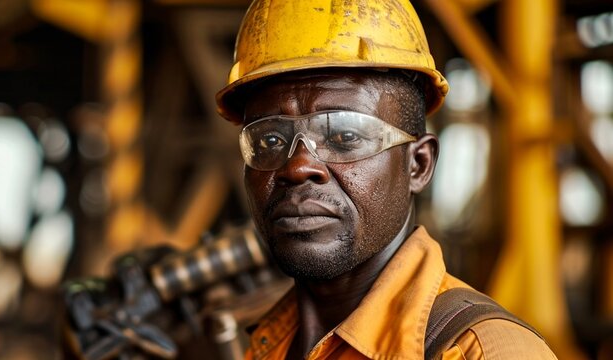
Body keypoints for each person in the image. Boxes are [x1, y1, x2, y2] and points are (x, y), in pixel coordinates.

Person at [214, 0, 557, 359]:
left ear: (418, 165)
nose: (297, 167)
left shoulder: (484, 352)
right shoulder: (267, 343)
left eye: (344, 137)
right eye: (270, 140)